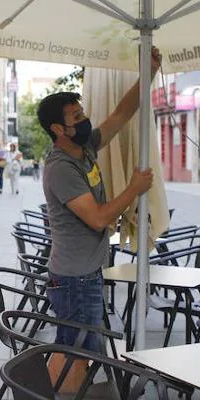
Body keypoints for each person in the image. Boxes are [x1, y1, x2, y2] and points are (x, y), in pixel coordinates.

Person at [38, 48, 160, 352]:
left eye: (83, 114)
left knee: (77, 352)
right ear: (57, 129)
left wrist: (150, 73)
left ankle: (56, 397)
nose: (85, 120)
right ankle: (52, 399)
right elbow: (97, 218)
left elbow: (121, 114)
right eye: (76, 117)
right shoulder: (61, 168)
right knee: (77, 356)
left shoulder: (85, 148)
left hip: (85, 273)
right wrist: (133, 189)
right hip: (73, 280)